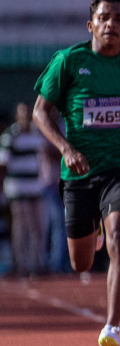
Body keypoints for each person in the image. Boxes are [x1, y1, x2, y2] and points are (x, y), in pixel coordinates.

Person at [30, 0, 120, 346]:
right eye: (104, 18)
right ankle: (95, 230)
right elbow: (41, 111)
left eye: (119, 19)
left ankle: (113, 326)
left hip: (119, 168)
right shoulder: (68, 62)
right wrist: (66, 148)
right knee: (81, 264)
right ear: (91, 24)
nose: (111, 25)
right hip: (79, 173)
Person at [1, 101, 49, 277]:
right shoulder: (10, 135)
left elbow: (43, 156)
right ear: (17, 115)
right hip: (17, 189)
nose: (25, 117)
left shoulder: (38, 132)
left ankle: (37, 264)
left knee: (38, 227)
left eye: (28, 113)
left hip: (36, 188)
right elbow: (3, 164)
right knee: (21, 228)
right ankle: (21, 266)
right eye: (22, 113)